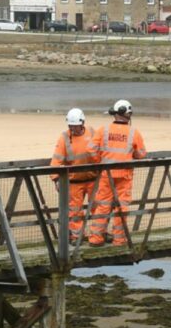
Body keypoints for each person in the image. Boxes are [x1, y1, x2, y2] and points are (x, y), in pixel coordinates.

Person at [87, 99, 146, 246]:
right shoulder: (133, 132)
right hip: (124, 176)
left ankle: (96, 239)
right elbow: (141, 154)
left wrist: (99, 161)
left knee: (103, 206)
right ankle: (119, 239)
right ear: (127, 114)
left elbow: (91, 149)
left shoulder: (103, 130)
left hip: (106, 175)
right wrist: (131, 154)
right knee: (122, 208)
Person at [50, 108, 101, 243]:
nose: (73, 128)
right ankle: (77, 236)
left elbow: (101, 151)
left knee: (98, 207)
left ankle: (98, 234)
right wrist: (56, 179)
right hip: (74, 182)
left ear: (82, 123)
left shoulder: (92, 132)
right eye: (70, 126)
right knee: (75, 211)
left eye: (75, 125)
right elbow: (56, 160)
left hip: (93, 180)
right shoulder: (64, 137)